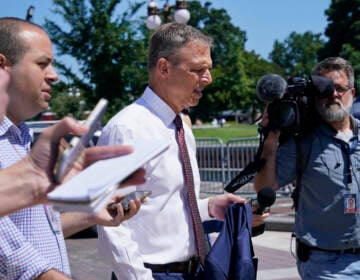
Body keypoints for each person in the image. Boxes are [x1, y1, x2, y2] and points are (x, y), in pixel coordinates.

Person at [97, 22, 267, 280]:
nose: (208, 79)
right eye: (198, 69)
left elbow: (163, 206)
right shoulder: (127, 129)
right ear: (164, 68)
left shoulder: (180, 127)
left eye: (208, 69)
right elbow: (110, 222)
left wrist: (211, 206)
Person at [0, 17, 144, 279]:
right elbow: (13, 256)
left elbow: (36, 234)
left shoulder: (20, 139)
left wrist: (91, 215)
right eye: (42, 64)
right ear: (2, 66)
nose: (54, 75)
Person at [254, 57, 360, 279]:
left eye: (339, 88)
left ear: (353, 92)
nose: (333, 95)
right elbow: (265, 186)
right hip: (326, 264)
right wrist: (270, 141)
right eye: (325, 90)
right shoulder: (303, 142)